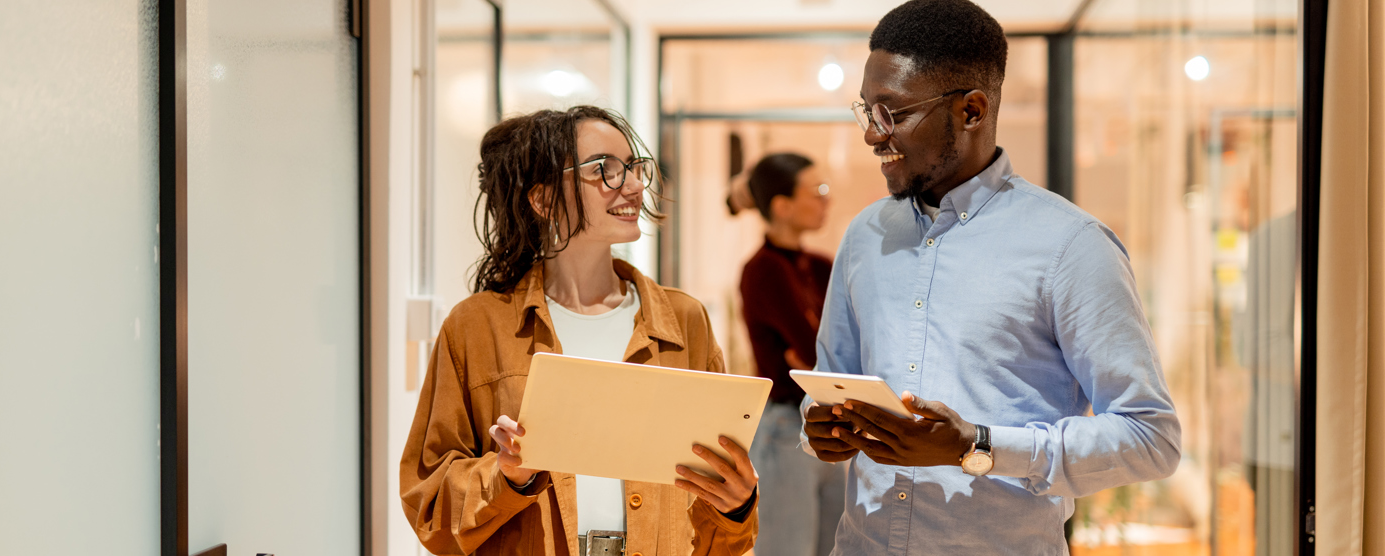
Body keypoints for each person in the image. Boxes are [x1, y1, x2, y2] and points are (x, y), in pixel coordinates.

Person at [798, 1, 1182, 554]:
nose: (871, 135)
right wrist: (822, 429)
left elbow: (1151, 438)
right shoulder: (864, 236)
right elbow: (830, 379)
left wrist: (976, 446)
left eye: (894, 113)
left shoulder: (1071, 247)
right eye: (867, 110)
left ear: (972, 111)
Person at [400, 106, 759, 556]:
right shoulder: (476, 326)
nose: (632, 185)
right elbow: (428, 504)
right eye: (603, 169)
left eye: (633, 167)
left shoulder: (685, 321)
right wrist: (508, 476)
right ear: (544, 200)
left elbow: (722, 522)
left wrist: (738, 507)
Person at [737, 153, 845, 556]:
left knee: (836, 547)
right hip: (785, 425)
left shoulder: (818, 266)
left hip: (833, 421)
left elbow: (840, 350)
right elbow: (815, 349)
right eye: (816, 192)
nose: (826, 201)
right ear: (782, 205)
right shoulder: (762, 269)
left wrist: (815, 358)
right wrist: (815, 357)